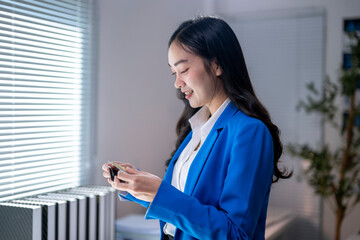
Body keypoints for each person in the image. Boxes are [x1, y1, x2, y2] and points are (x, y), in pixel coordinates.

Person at [102, 16, 291, 240]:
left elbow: (236, 234)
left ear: (217, 64)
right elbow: (186, 203)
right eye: (174, 73)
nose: (177, 82)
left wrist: (159, 193)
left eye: (183, 70)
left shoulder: (249, 132)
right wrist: (135, 184)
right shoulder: (197, 130)